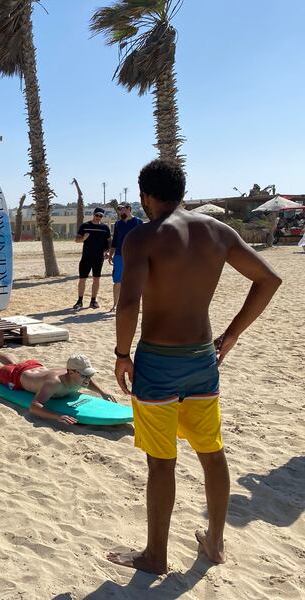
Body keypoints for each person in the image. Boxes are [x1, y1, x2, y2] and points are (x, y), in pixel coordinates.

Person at [110, 159, 282, 574]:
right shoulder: (219, 232)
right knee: (211, 452)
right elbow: (269, 280)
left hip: (157, 361)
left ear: (146, 196)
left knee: (161, 462)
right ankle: (216, 543)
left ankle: (156, 556)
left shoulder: (144, 237)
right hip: (204, 359)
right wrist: (233, 333)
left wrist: (121, 354)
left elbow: (129, 302)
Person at [0, 348, 117, 425]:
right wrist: (57, 416)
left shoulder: (76, 377)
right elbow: (34, 407)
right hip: (18, 377)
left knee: (15, 363)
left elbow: (88, 382)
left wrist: (102, 392)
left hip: (36, 367)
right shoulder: (54, 383)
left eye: (88, 374)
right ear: (71, 371)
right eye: (84, 374)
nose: (87, 378)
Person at [108, 202, 143, 312]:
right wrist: (110, 254)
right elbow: (115, 240)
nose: (121, 212)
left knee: (134, 281)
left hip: (134, 256)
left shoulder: (138, 222)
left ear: (129, 209)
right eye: (120, 210)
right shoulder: (118, 224)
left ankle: (133, 304)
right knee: (117, 281)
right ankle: (115, 305)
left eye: (123, 209)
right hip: (119, 255)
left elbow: (143, 240)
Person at [74, 207, 111, 310]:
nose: (98, 217)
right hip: (86, 257)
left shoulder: (105, 228)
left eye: (100, 216)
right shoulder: (85, 226)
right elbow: (76, 240)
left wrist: (107, 252)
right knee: (82, 279)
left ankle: (93, 300)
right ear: (93, 214)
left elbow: (109, 241)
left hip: (99, 258)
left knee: (96, 279)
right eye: (97, 215)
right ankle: (79, 301)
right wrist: (83, 238)